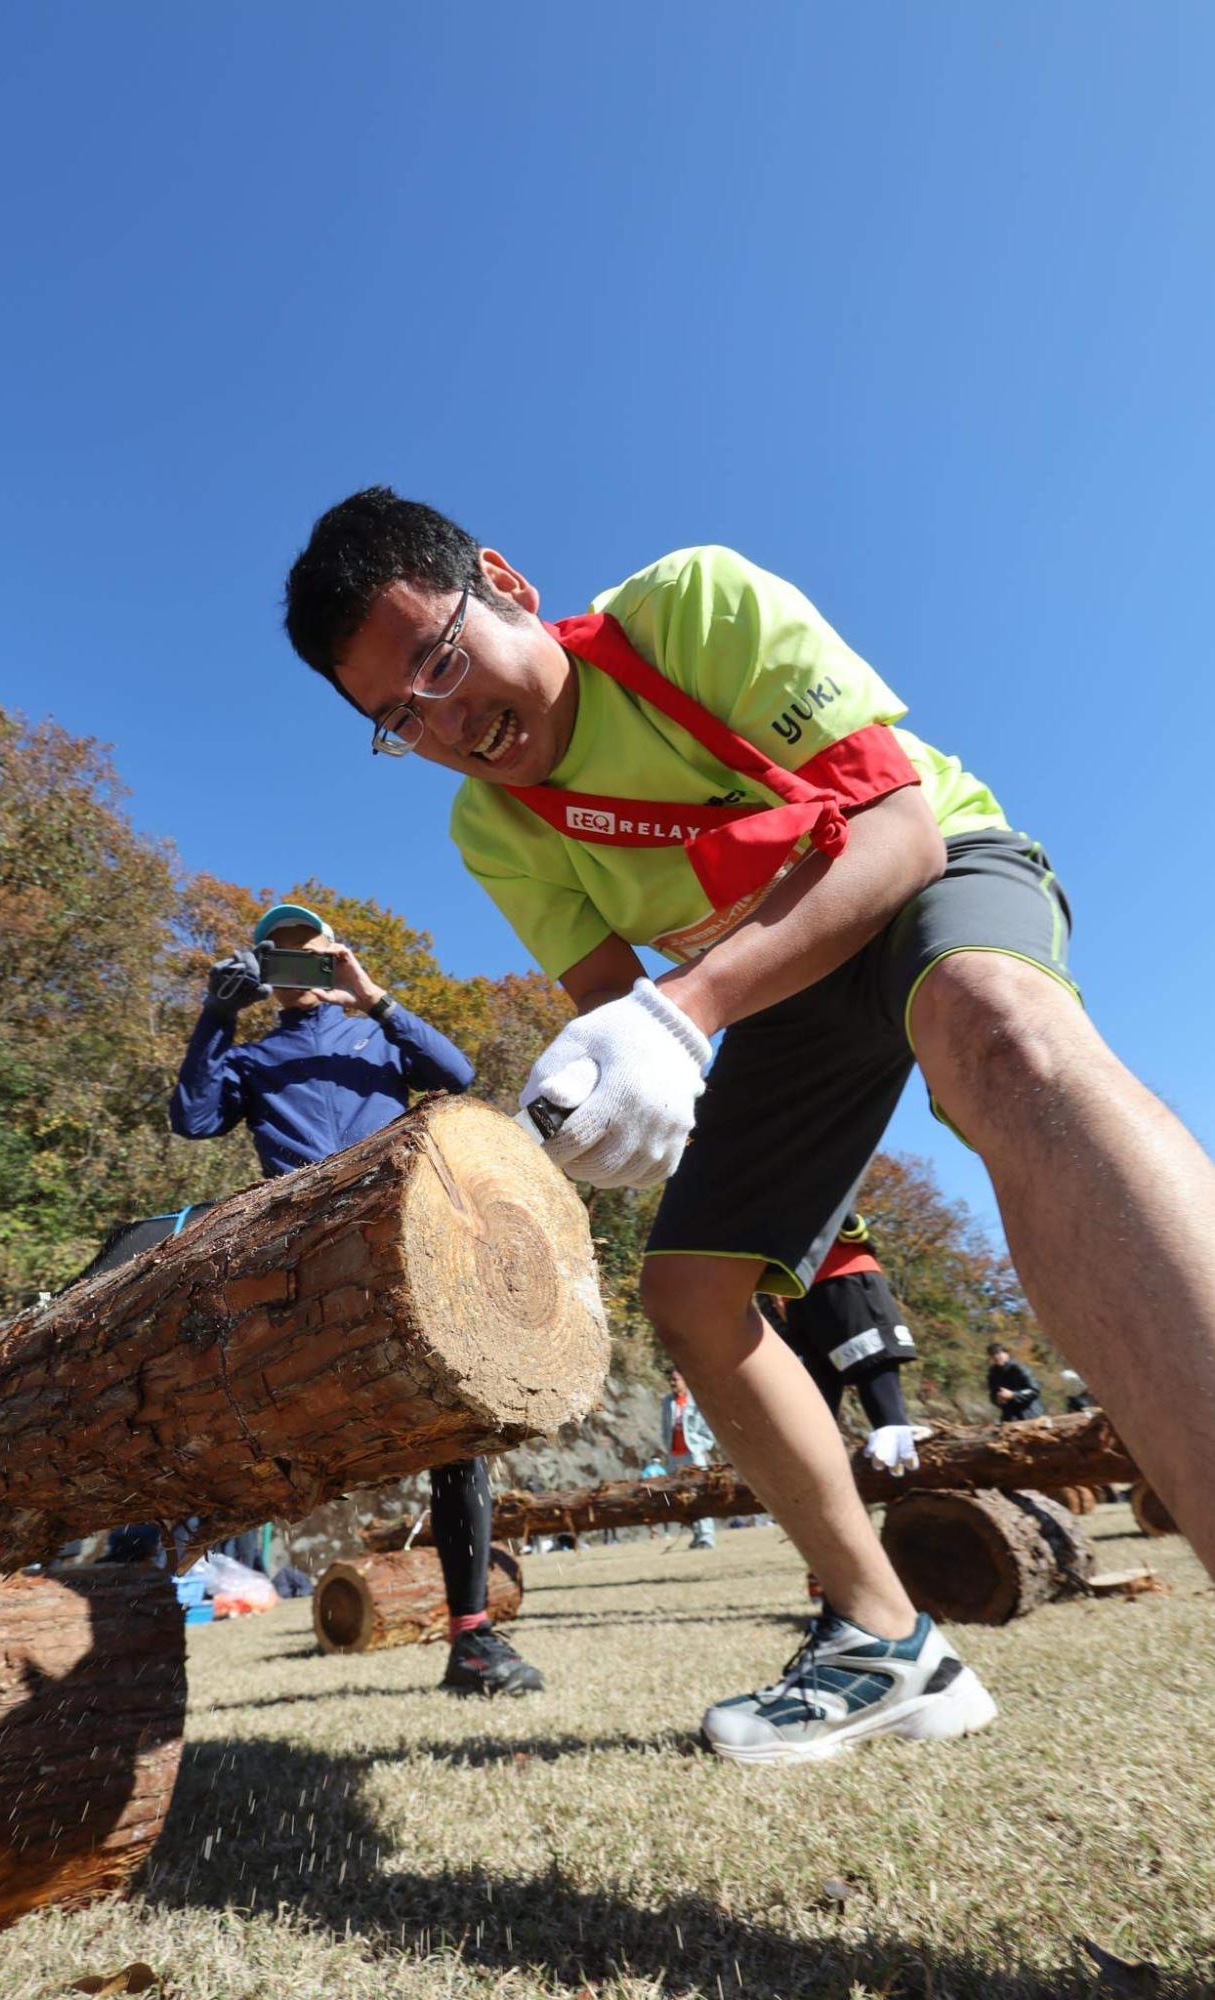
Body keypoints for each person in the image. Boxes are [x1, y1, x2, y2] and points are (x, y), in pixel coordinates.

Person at [281, 489, 1215, 1768]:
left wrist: (691, 1007)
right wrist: (588, 1121)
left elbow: (890, 834)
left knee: (1006, 1032)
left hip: (922, 871)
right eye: (401, 719)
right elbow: (625, 1021)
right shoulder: (487, 827)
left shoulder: (688, 607)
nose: (448, 725)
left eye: (440, 663)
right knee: (691, 1292)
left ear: (499, 579)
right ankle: (883, 1639)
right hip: (771, 993)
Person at [169, 898, 545, 1697]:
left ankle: (472, 1641)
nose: (295, 966)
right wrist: (213, 1016)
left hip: (408, 1245)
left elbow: (457, 1076)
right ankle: (160, 1584)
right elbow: (196, 1120)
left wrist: (372, 996)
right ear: (265, 974)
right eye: (279, 956)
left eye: (311, 951)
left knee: (458, 1436)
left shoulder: (376, 1034)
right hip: (305, 1257)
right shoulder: (254, 1057)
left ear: (334, 956)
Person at [760, 1212, 928, 1598]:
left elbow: (843, 1211)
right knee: (812, 1427)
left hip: (840, 1274)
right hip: (794, 1297)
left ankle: (914, 1556)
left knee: (888, 1425)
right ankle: (836, 1568)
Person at [659, 1364, 717, 1548]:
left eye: (675, 1379)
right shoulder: (667, 1402)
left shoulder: (696, 1400)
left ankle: (707, 1537)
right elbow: (664, 1427)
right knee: (682, 1497)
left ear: (685, 1380)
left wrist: (700, 1446)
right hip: (674, 1456)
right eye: (671, 1379)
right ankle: (696, 1534)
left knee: (699, 1494)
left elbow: (708, 1428)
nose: (672, 1382)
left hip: (693, 1455)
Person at [986, 1342, 1046, 1422]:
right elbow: (993, 1395)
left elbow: (1034, 1390)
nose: (996, 1357)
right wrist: (998, 1399)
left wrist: (1013, 1395)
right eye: (992, 1354)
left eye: (999, 1353)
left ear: (1006, 1354)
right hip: (1010, 1417)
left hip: (1030, 1415)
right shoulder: (993, 1374)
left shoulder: (1019, 1369)